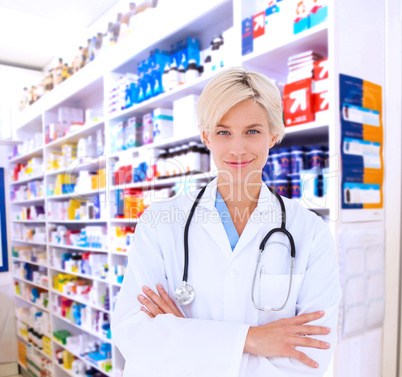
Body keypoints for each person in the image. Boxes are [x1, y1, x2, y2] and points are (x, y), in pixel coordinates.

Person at [112, 67, 342, 377]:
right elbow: (136, 336)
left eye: (252, 131)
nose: (237, 148)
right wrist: (253, 339)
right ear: (206, 136)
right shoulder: (159, 224)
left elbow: (310, 356)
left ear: (273, 135)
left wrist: (184, 334)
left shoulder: (311, 233)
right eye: (223, 132)